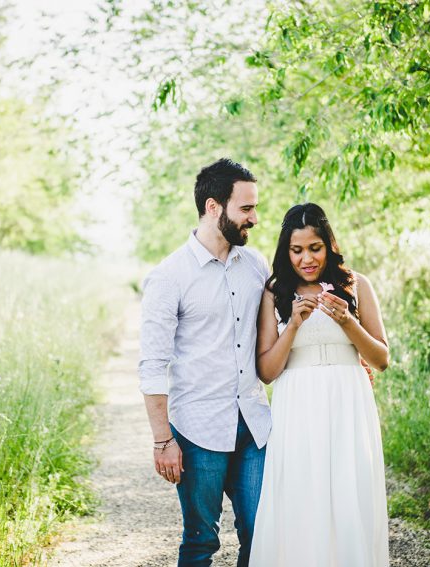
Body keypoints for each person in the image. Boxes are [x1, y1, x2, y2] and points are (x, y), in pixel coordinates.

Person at [138, 158, 272, 566]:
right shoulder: (169, 276)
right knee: (200, 540)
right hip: (198, 431)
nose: (254, 218)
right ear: (214, 207)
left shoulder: (257, 265)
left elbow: (278, 334)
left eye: (254, 208)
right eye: (245, 208)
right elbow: (152, 364)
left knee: (263, 532)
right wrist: (164, 440)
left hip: (253, 425)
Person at [249, 202, 390, 566]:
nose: (307, 259)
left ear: (328, 245)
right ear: (286, 251)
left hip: (348, 403)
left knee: (349, 495)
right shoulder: (275, 293)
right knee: (300, 497)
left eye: (315, 248)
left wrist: (348, 322)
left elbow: (381, 359)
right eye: (297, 250)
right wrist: (293, 324)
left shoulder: (356, 285)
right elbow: (267, 370)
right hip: (297, 405)